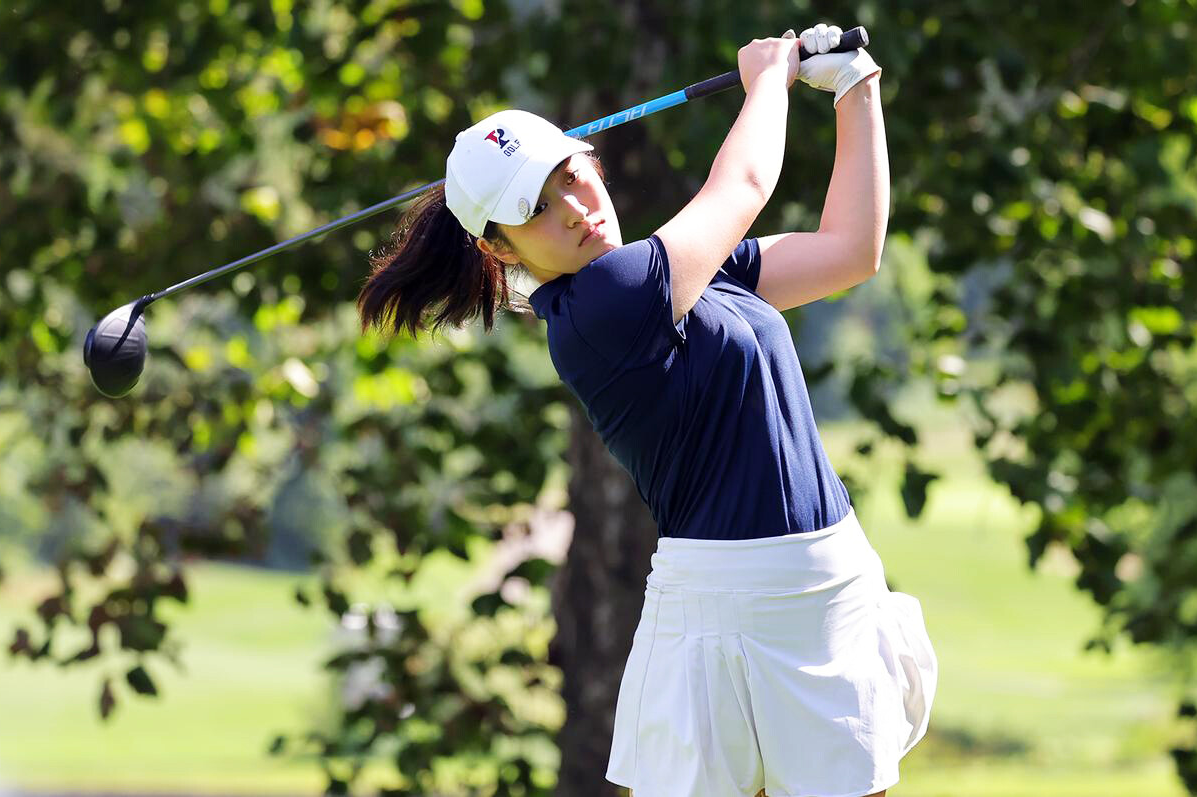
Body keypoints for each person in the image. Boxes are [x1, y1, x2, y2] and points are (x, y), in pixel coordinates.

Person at [358, 22, 937, 797]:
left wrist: (856, 88)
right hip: (720, 608)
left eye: (569, 173)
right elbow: (742, 186)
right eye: (534, 206)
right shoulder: (605, 303)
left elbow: (850, 249)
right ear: (499, 250)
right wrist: (768, 76)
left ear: (589, 156)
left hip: (827, 585)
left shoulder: (683, 273)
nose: (573, 207)